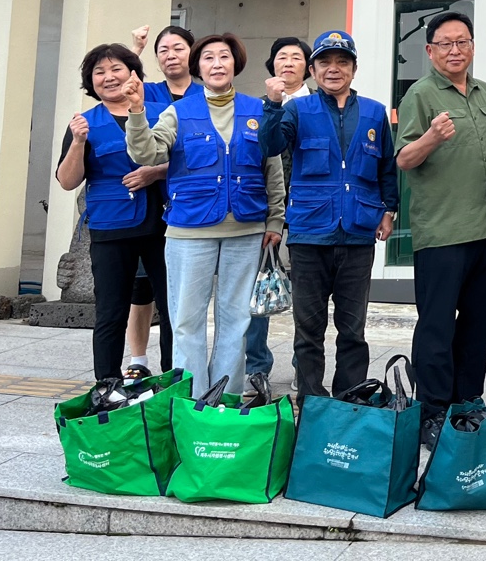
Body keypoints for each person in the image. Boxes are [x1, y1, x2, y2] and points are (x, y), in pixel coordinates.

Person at [125, 33, 285, 395]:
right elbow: (146, 154)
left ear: (235, 64)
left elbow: (272, 170)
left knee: (236, 320)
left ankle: (225, 398)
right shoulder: (178, 112)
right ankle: (192, 399)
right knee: (186, 321)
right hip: (188, 231)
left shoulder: (258, 110)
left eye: (224, 57)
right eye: (208, 57)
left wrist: (275, 220)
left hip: (245, 229)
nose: (216, 63)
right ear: (197, 67)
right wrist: (136, 111)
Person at [394, 11, 486, 448]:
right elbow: (404, 158)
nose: (455, 50)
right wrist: (432, 138)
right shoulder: (420, 95)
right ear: (429, 51)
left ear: (473, 46)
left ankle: (468, 401)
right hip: (442, 233)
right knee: (437, 326)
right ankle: (432, 409)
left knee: (480, 324)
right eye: (445, 43)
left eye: (462, 42)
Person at [260, 30, 397, 401]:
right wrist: (273, 104)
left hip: (358, 232)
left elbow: (386, 167)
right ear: (313, 69)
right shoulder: (296, 109)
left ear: (353, 68)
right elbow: (270, 144)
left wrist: (389, 210)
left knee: (353, 329)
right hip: (309, 233)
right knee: (309, 328)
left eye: (342, 62)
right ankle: (311, 398)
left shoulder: (373, 112)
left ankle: (351, 396)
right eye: (325, 63)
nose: (333, 69)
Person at [54, 43, 172, 389]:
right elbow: (67, 181)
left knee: (172, 307)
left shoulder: (162, 111)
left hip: (164, 223)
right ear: (91, 82)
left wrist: (155, 172)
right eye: (99, 72)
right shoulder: (84, 123)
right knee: (111, 310)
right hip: (110, 226)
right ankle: (107, 381)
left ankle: (174, 377)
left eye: (116, 68)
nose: (109, 77)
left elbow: (186, 162)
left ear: (133, 73)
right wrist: (77, 143)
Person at [123, 23, 199, 376]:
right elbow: (125, 89)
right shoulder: (150, 93)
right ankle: (138, 361)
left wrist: (156, 172)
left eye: (178, 48)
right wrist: (134, 48)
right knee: (142, 289)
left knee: (176, 294)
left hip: (187, 205)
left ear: (192, 53)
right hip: (146, 207)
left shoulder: (205, 96)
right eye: (163, 50)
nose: (170, 55)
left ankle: (175, 366)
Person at [245, 35, 313, 393]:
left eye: (296, 57)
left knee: (307, 296)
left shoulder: (320, 105)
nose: (288, 63)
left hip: (306, 212)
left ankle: (306, 367)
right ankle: (256, 366)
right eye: (281, 57)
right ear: (271, 65)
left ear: (309, 67)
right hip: (263, 210)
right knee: (257, 290)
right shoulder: (256, 108)